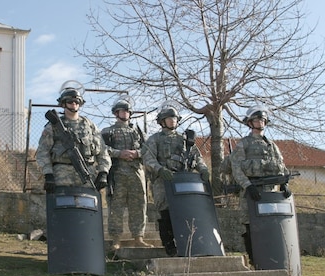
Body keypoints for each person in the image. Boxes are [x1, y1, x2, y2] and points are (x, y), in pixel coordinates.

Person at [142, 102, 209, 256]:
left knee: (187, 212)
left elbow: (196, 157)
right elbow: (148, 159)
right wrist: (160, 169)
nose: (172, 121)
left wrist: (203, 169)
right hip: (163, 182)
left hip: (183, 181)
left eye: (174, 118)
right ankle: (170, 246)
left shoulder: (185, 139)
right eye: (168, 118)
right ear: (162, 121)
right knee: (166, 214)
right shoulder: (155, 139)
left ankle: (190, 245)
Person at [229, 104, 291, 261]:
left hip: (269, 192)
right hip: (250, 192)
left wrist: (284, 183)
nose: (260, 123)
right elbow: (236, 168)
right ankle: (254, 259)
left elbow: (281, 166)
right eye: (257, 120)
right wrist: (248, 186)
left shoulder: (272, 145)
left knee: (269, 225)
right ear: (250, 123)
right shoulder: (244, 144)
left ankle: (271, 259)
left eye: (263, 119)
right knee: (250, 226)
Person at [36, 80, 111, 194]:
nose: (74, 104)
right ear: (63, 104)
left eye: (77, 101)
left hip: (87, 175)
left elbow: (102, 151)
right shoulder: (53, 126)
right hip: (61, 176)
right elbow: (43, 151)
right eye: (70, 101)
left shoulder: (90, 125)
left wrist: (103, 172)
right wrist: (48, 174)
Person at [101, 96, 153, 250]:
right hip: (117, 173)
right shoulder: (107, 131)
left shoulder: (138, 131)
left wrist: (136, 153)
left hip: (136, 172)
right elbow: (101, 149)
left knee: (139, 204)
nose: (125, 113)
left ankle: (138, 237)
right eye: (121, 111)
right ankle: (116, 238)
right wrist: (119, 153)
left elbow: (148, 149)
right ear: (116, 113)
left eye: (127, 111)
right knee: (116, 206)